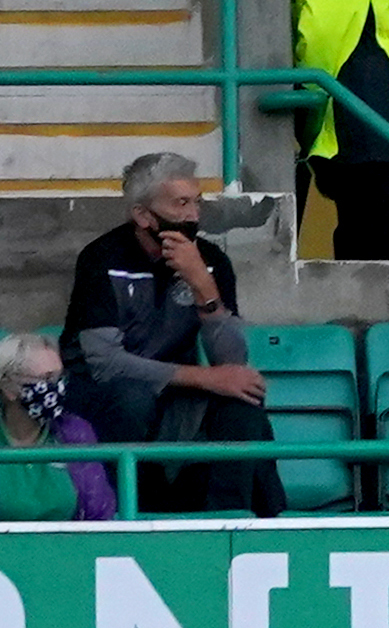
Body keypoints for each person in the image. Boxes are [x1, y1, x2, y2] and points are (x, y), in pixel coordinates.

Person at [60, 148, 288, 516]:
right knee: (132, 399)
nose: (193, 216)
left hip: (174, 394)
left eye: (197, 203)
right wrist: (204, 377)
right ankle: (116, 515)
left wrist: (204, 289)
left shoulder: (211, 261)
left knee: (244, 396)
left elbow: (231, 361)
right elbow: (104, 364)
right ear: (143, 216)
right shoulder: (101, 259)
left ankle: (228, 520)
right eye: (181, 204)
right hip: (99, 397)